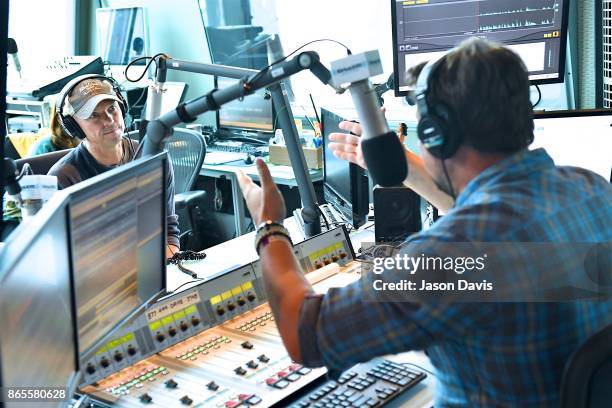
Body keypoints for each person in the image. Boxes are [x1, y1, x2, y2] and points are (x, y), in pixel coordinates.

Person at [237, 38, 612, 406]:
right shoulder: (591, 189)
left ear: (436, 134)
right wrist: (399, 163)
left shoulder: (455, 253)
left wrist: (269, 224)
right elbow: (488, 215)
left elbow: (305, 333)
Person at [48, 75, 180, 258]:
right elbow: (65, 257)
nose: (109, 120)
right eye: (94, 115)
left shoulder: (151, 157)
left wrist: (166, 268)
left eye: (112, 108)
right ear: (74, 127)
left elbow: (167, 229)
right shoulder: (64, 179)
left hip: (151, 266)